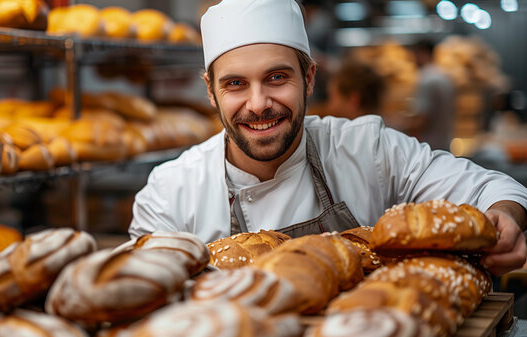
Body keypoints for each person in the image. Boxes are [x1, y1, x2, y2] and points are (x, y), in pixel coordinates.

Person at [129, 0, 527, 276]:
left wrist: (505, 217)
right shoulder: (170, 193)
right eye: (235, 84)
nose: (258, 103)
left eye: (276, 77)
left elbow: (492, 187)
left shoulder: (366, 149)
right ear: (211, 92)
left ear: (309, 79)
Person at [410, 39, 456, 151]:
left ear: (422, 53)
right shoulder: (444, 77)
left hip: (430, 146)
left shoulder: (426, 80)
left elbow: (423, 118)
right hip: (444, 142)